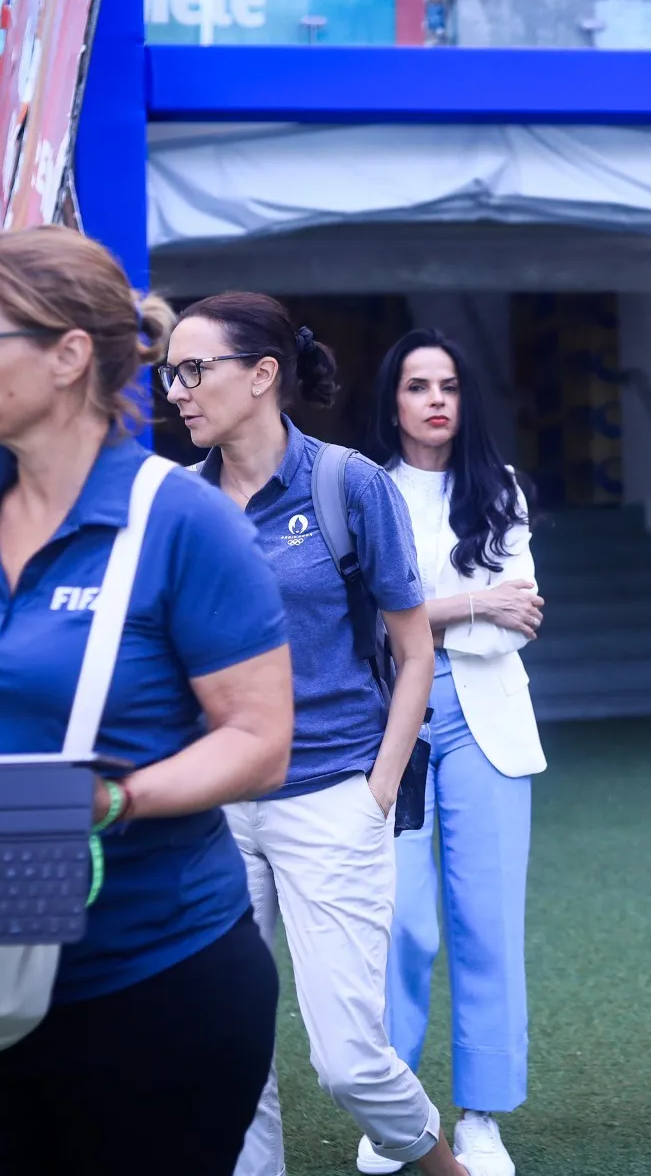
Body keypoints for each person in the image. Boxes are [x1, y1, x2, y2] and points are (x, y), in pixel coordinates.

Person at [0, 228, 295, 1176]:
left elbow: (260, 740)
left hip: (155, 980)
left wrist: (116, 798)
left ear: (68, 354)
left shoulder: (182, 519)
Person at [161, 294, 470, 1176]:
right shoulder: (182, 503)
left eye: (194, 370)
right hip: (216, 809)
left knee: (348, 1060)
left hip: (331, 796)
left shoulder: (347, 484)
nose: (177, 392)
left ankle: (438, 1163)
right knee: (224, 1046)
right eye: (169, 374)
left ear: (262, 376)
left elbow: (413, 650)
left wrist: (377, 786)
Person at [373, 331, 546, 1176]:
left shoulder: (500, 490)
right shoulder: (363, 488)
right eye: (417, 385)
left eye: (447, 384)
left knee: (488, 924)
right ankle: (398, 1111)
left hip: (486, 719)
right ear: (394, 400)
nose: (435, 399)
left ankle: (481, 1116)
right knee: (400, 921)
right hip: (389, 722)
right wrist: (474, 602)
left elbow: (524, 615)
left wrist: (424, 611)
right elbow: (368, 617)